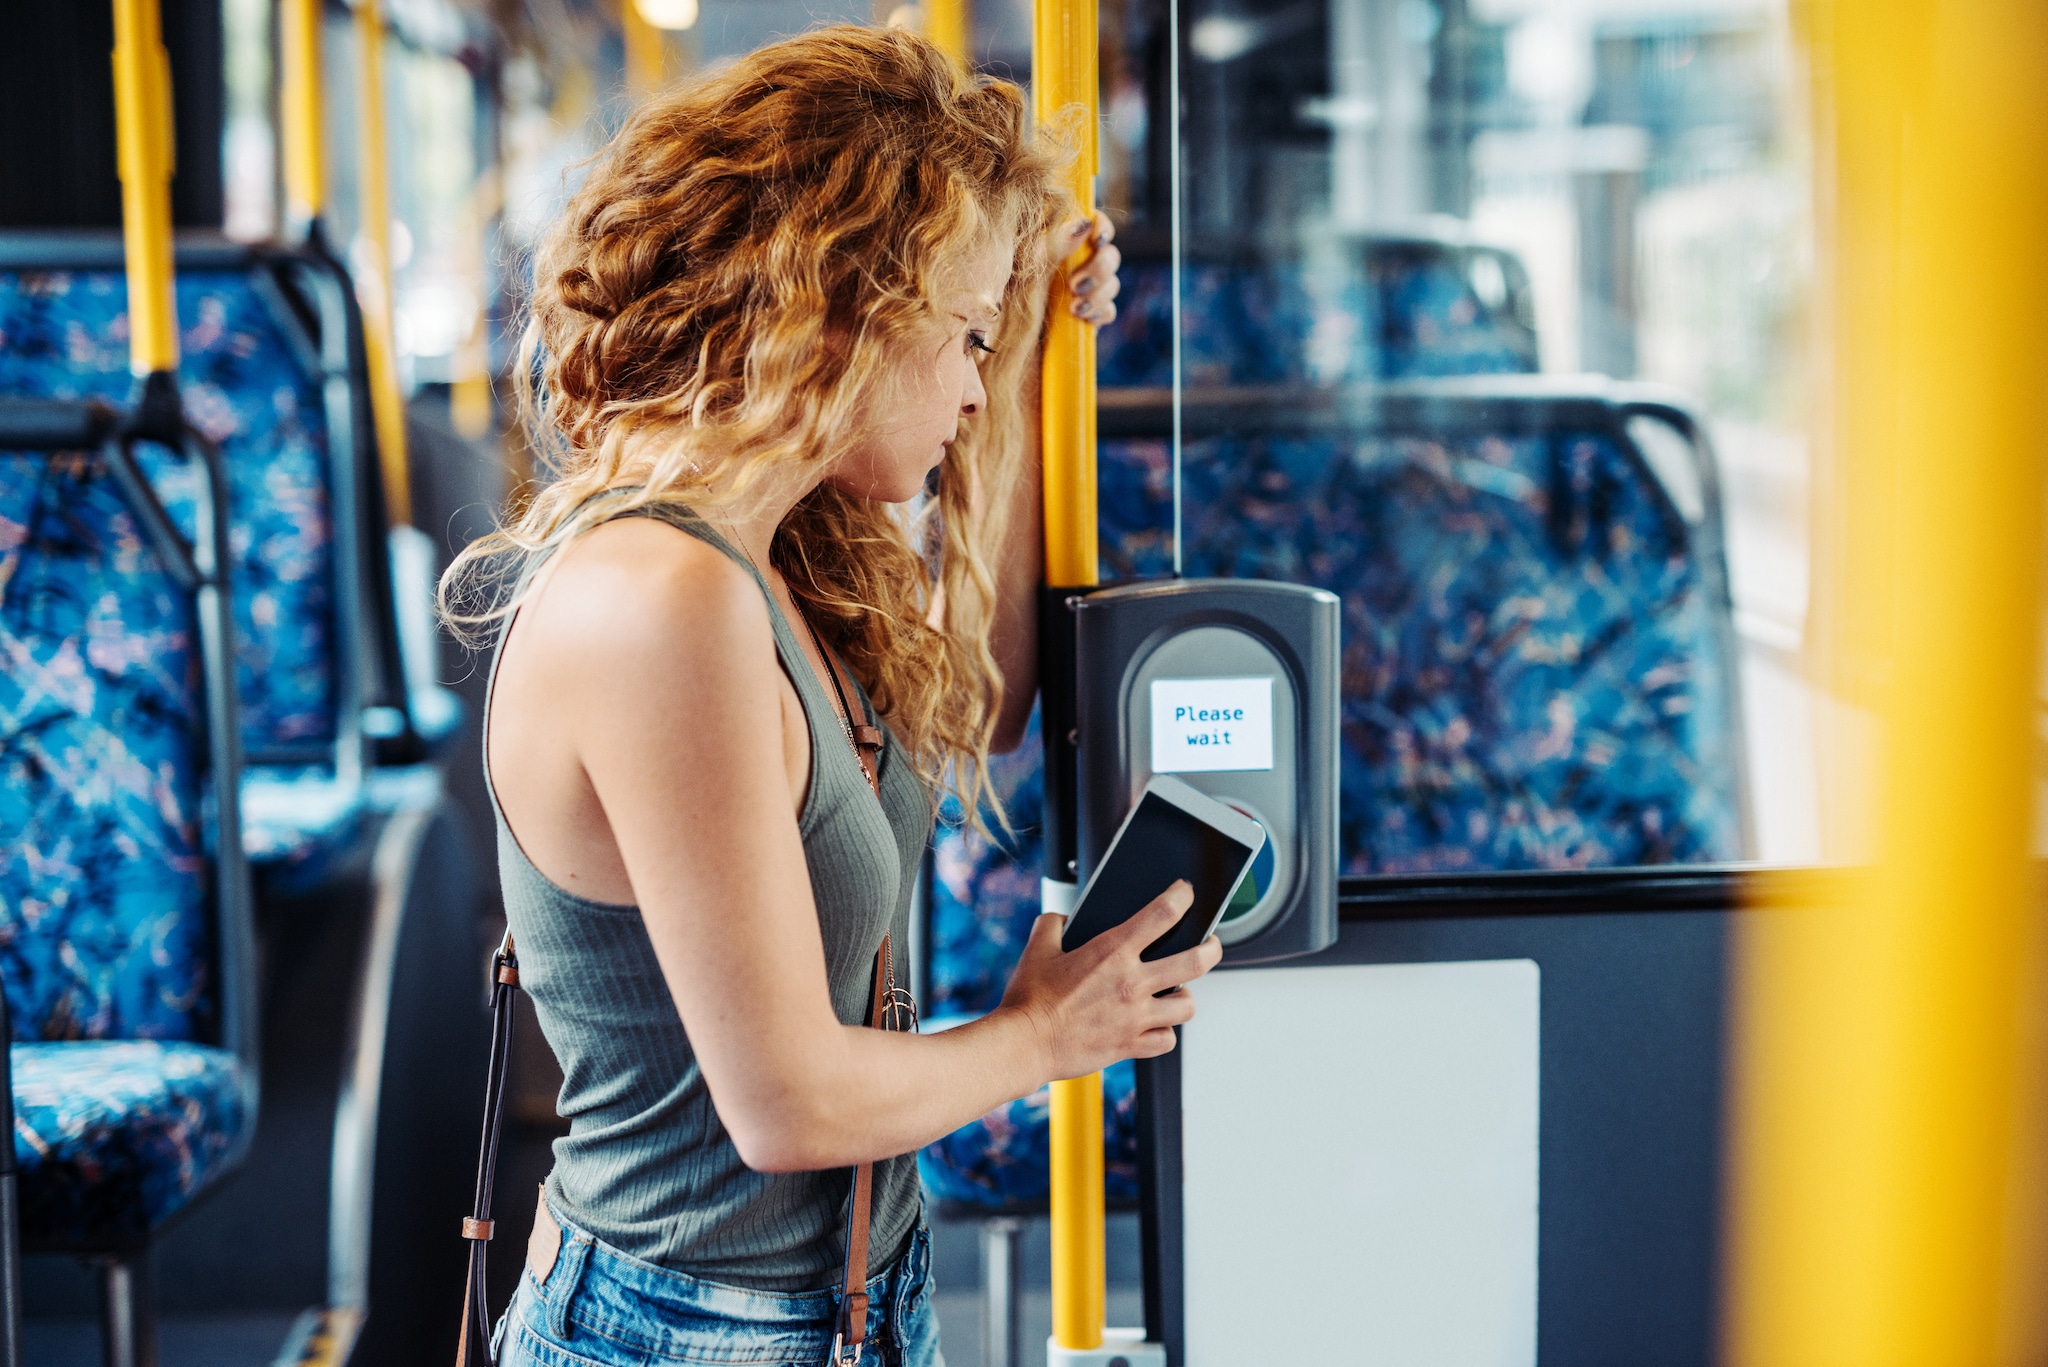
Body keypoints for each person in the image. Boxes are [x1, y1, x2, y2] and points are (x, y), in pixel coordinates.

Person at [444, 24, 1221, 1366]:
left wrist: (1026, 348)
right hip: (687, 1334)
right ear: (847, 307)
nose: (973, 390)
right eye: (965, 337)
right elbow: (788, 1105)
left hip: (855, 1301)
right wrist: (1044, 1034)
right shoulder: (660, 598)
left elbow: (975, 709)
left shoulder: (774, 557)